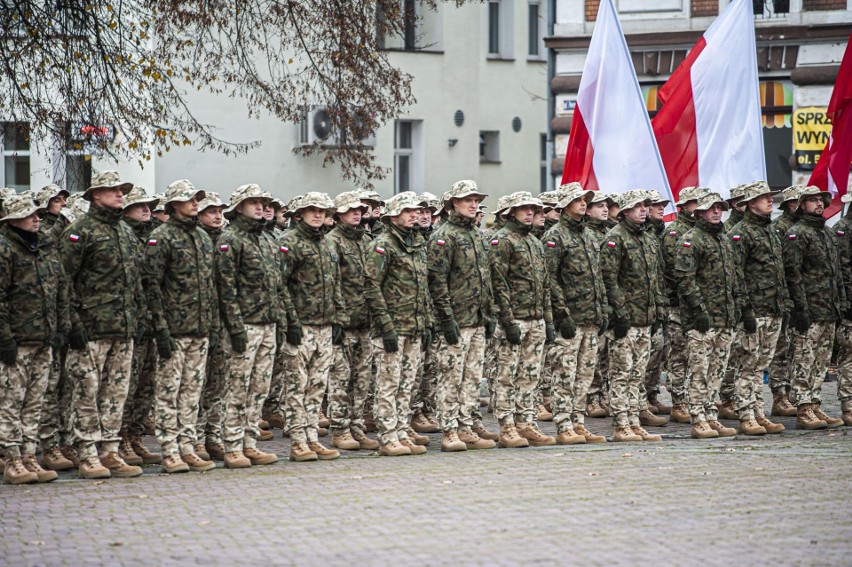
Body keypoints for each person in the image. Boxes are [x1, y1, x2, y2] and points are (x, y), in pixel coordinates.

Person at [61, 171, 146, 479]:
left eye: (121, 190)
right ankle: (86, 453)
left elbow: (136, 281)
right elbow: (63, 281)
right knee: (87, 393)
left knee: (116, 392)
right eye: (112, 190)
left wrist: (139, 317)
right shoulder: (79, 231)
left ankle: (109, 450)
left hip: (122, 328)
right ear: (96, 195)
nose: (120, 194)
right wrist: (73, 323)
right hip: (91, 328)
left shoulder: (125, 231)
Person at [143, 180, 218, 473]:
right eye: (189, 199)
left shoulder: (201, 236)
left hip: (198, 329)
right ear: (174, 205)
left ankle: (188, 446)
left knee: (191, 392)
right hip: (173, 330)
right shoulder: (161, 237)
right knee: (168, 392)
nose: (195, 203)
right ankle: (169, 450)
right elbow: (152, 285)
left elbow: (209, 286)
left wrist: (210, 324)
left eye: (196, 198)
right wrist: (160, 329)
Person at [0, 194, 69, 484]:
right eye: (30, 215)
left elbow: (59, 289)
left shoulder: (43, 247)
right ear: (13, 220)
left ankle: (29, 455)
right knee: (10, 402)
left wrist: (61, 327)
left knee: (34, 402)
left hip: (44, 338)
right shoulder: (5, 249)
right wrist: (4, 338)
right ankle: (11, 459)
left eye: (38, 214)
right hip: (17, 340)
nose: (36, 218)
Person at [215, 184, 284, 468]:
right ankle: (232, 445)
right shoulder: (230, 239)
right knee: (237, 388)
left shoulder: (267, 239)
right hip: (244, 324)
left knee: (258, 388)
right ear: (239, 207)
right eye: (252, 202)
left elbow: (277, 285)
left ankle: (249, 442)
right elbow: (225, 287)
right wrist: (235, 327)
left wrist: (280, 320)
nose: (259, 206)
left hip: (267, 323)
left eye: (262, 202)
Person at [428, 180, 497, 452]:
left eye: (476, 200)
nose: (473, 204)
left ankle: (466, 426)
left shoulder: (478, 236)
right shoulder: (444, 236)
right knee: (451, 377)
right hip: (456, 320)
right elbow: (437, 282)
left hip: (477, 319)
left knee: (470, 377)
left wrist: (488, 315)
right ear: (454, 204)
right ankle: (449, 430)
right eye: (467, 200)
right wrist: (446, 320)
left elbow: (485, 279)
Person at [364, 191, 433, 456]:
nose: (415, 214)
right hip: (392, 327)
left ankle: (402, 431)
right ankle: (387, 435)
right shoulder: (382, 244)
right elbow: (371, 285)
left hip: (414, 326)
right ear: (393, 216)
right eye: (408, 211)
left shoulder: (416, 243)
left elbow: (422, 287)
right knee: (388, 383)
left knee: (408, 384)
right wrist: (384, 325)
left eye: (416, 210)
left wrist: (426, 323)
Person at [279, 192, 344, 462]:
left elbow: (335, 282)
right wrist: (291, 321)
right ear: (300, 213)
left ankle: (312, 437)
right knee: (297, 385)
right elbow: (280, 285)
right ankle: (297, 441)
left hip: (325, 325)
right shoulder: (289, 242)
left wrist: (339, 317)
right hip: (301, 325)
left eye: (321, 210)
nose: (318, 214)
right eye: (312, 210)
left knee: (318, 385)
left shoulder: (328, 243)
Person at [543, 183, 608, 445]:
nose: (583, 203)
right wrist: (562, 314)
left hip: (590, 317)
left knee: (585, 374)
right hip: (570, 318)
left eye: (584, 199)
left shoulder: (590, 236)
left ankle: (579, 422)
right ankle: (563, 424)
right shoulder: (555, 236)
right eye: (577, 200)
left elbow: (597, 277)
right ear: (564, 205)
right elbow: (550, 279)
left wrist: (602, 309)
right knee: (564, 373)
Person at [599, 190, 666, 442]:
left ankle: (634, 420)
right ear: (625, 211)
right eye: (637, 206)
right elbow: (609, 279)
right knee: (621, 372)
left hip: (645, 317)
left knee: (637, 373)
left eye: (645, 206)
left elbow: (654, 279)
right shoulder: (615, 238)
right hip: (626, 319)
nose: (643, 210)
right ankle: (621, 423)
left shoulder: (648, 238)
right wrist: (619, 312)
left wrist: (658, 309)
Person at [674, 192, 743, 439]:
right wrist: (698, 311)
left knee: (717, 370)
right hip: (702, 320)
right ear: (699, 212)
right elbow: (685, 279)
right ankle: (698, 418)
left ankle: (711, 414)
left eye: (719, 208)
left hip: (725, 317)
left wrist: (739, 308)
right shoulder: (691, 240)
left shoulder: (723, 239)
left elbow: (734, 277)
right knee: (699, 370)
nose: (716, 212)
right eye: (710, 208)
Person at [490, 191, 555, 448]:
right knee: (507, 374)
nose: (530, 213)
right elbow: (498, 284)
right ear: (511, 212)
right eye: (524, 209)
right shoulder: (502, 240)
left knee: (530, 374)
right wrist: (507, 321)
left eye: (533, 209)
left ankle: (526, 422)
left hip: (536, 318)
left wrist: (548, 320)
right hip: (515, 318)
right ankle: (507, 426)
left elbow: (544, 284)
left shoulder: (535, 242)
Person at [727, 181, 787, 435]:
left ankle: (758, 412)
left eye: (770, 197)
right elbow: (735, 275)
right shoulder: (741, 233)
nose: (770, 201)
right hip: (754, 309)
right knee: (748, 365)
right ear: (751, 203)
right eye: (764, 198)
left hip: (772, 308)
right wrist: (745, 309)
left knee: (761, 363)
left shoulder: (770, 231)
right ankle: (746, 415)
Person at [783, 186, 845, 429]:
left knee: (821, 360)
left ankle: (815, 404)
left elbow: (835, 272)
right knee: (804, 359)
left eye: (821, 200)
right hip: (808, 308)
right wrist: (800, 308)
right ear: (801, 205)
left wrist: (839, 302)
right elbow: (793, 273)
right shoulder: (797, 233)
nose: (819, 204)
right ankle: (803, 408)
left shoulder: (827, 234)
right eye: (812, 201)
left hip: (827, 308)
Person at [325, 191, 379, 451]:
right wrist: (336, 318)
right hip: (344, 322)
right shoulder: (332, 242)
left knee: (362, 377)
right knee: (340, 377)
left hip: (365, 320)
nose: (356, 213)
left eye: (358, 209)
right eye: (350, 210)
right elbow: (331, 283)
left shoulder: (366, 240)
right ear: (338, 215)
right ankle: (340, 429)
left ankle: (357, 426)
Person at [116, 186, 163, 467]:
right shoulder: (125, 236)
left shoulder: (152, 237)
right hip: (130, 324)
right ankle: (120, 441)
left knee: (146, 388)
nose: (146, 209)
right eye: (140, 206)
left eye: (148, 205)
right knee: (127, 387)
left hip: (152, 323)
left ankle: (134, 438)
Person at [661, 186, 707, 424]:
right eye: (693, 203)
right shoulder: (675, 233)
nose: (698, 207)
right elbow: (674, 272)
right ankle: (679, 401)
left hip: (697, 303)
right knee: (678, 352)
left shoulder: (701, 232)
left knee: (696, 355)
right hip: (678, 303)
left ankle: (694, 398)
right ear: (683, 207)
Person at [194, 192, 229, 460]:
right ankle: (194, 438)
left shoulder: (226, 240)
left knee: (219, 384)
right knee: (197, 384)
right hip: (199, 322)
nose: (217, 216)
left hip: (224, 322)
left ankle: (213, 436)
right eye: (210, 211)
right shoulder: (197, 239)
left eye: (219, 211)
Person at [766, 185, 805, 417]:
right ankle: (779, 396)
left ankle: (791, 393)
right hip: (778, 298)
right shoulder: (779, 228)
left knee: (794, 349)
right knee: (780, 350)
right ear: (789, 204)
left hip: (793, 298)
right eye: (796, 201)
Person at [639, 190, 671, 425]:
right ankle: (635, 406)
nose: (661, 208)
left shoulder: (656, 234)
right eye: (656, 205)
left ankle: (649, 396)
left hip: (655, 304)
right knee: (637, 361)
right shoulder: (633, 235)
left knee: (657, 353)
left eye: (663, 205)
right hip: (635, 309)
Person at [584, 191, 614, 418]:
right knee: (592, 356)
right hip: (585, 306)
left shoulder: (609, 234)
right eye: (599, 206)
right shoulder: (587, 235)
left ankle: (603, 396)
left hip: (603, 303)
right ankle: (592, 398)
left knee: (605, 356)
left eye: (607, 205)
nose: (605, 209)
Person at [832, 192, 852, 426]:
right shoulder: (844, 228)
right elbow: (842, 268)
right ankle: (848, 405)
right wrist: (846, 302)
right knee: (849, 355)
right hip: (849, 301)